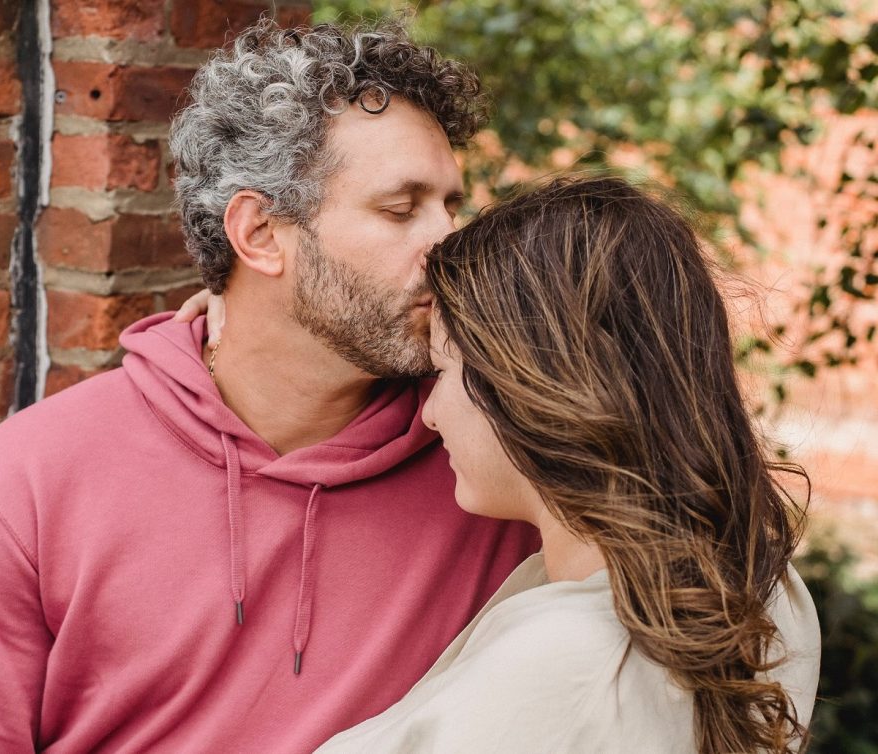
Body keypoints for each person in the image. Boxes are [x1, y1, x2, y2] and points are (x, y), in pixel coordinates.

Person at [0, 20, 538, 753]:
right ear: (260, 233)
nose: (448, 244)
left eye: (451, 206)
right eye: (401, 209)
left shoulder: (493, 462)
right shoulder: (39, 471)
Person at [311, 176, 821, 753]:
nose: (428, 415)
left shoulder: (563, 667)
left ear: (533, 383)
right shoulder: (763, 591)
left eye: (443, 372)